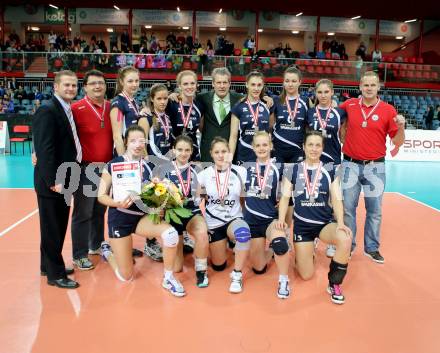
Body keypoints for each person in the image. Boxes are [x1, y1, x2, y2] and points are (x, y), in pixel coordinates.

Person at [97, 125, 185, 297]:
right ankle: (108, 252)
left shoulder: (150, 165)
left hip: (140, 218)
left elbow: (157, 195)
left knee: (170, 234)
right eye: (133, 141)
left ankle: (168, 278)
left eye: (141, 140)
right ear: (126, 142)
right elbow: (101, 196)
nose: (137, 144)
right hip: (119, 218)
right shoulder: (114, 164)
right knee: (126, 276)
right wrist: (116, 203)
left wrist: (160, 192)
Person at [276, 131, 352, 304]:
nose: (314, 148)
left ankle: (334, 284)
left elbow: (337, 199)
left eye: (318, 145)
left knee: (345, 238)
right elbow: (285, 198)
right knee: (306, 275)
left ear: (322, 148)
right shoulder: (293, 170)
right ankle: (305, 253)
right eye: (310, 144)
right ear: (303, 147)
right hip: (302, 228)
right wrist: (281, 220)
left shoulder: (329, 171)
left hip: (324, 224)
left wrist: (340, 223)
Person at [340, 71, 405, 263]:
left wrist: (401, 127)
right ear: (359, 86)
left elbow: (397, 141)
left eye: (372, 85)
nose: (369, 88)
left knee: (374, 210)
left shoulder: (388, 110)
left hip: (375, 167)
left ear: (378, 87)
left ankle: (372, 248)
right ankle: (348, 246)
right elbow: (328, 112)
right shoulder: (349, 105)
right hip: (350, 164)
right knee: (348, 209)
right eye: (365, 85)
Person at [33, 70, 81, 289]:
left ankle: (46, 265)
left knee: (56, 225)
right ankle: (56, 274)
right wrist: (53, 180)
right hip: (55, 182)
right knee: (53, 227)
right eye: (67, 85)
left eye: (74, 85)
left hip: (67, 176)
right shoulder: (48, 110)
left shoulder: (66, 109)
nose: (71, 88)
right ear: (56, 87)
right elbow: (45, 149)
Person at [70, 70, 113, 270]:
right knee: (83, 212)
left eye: (101, 83)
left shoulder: (111, 107)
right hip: (86, 169)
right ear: (85, 87)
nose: (98, 86)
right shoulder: (75, 108)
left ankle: (95, 245)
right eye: (93, 83)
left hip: (106, 169)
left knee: (99, 210)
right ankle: (79, 255)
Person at [197, 137, 251, 293]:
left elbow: (244, 198)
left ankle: (237, 275)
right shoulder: (204, 175)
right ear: (211, 154)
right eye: (217, 152)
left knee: (243, 233)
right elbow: (196, 199)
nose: (221, 155)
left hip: (234, 219)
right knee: (219, 266)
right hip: (213, 223)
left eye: (224, 151)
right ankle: (226, 243)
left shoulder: (241, 171)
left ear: (230, 153)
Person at [243, 132, 291, 299]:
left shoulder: (280, 167)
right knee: (258, 268)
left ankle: (284, 280)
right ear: (253, 147)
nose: (261, 148)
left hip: (270, 220)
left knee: (280, 244)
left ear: (271, 146)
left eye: (265, 145)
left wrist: (282, 220)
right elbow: (241, 196)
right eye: (258, 145)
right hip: (252, 222)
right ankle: (269, 251)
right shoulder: (246, 168)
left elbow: (286, 197)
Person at [158, 135, 210, 287]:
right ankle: (180, 246)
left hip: (191, 213)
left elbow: (204, 194)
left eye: (187, 150)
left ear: (192, 151)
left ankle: (201, 272)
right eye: (180, 149)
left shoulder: (198, 169)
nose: (183, 153)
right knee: (177, 268)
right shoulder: (163, 169)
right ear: (173, 151)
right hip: (172, 215)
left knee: (201, 234)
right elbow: (157, 195)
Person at [307, 79, 347, 258]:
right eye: (320, 92)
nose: (323, 96)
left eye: (326, 92)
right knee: (313, 195)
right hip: (314, 161)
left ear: (332, 92)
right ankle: (315, 233)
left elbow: (344, 135)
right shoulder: (310, 112)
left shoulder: (340, 113)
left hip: (333, 161)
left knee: (333, 198)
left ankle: (332, 240)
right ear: (316, 94)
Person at [198, 67, 243, 162]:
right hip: (208, 152)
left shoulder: (239, 99)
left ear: (230, 84)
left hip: (230, 152)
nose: (222, 86)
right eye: (218, 82)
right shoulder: (202, 98)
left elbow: (255, 97)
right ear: (213, 84)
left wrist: (266, 97)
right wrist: (174, 96)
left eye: (225, 82)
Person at [229, 71, 274, 163]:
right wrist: (229, 160)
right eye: (253, 84)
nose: (256, 88)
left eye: (259, 85)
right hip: (244, 155)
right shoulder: (238, 107)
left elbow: (270, 130)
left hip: (263, 155)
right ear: (247, 85)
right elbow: (233, 136)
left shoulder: (268, 105)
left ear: (263, 86)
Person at [272, 66, 308, 163]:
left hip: (297, 150)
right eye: (287, 81)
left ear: (299, 82)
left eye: (294, 81)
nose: (290, 84)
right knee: (277, 178)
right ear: (283, 82)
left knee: (294, 178)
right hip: (278, 149)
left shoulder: (306, 102)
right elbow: (270, 125)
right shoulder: (276, 100)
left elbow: (308, 127)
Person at [110, 66, 148, 156]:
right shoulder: (118, 102)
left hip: (135, 151)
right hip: (124, 153)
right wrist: (124, 160)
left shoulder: (134, 101)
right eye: (130, 81)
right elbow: (117, 136)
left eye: (136, 81)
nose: (134, 84)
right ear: (121, 82)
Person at [167, 70, 204, 161]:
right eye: (185, 84)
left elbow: (202, 129)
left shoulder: (199, 106)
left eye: (192, 83)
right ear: (179, 86)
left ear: (196, 85)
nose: (189, 87)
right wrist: (147, 108)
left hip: (192, 151)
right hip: (173, 150)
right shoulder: (171, 103)